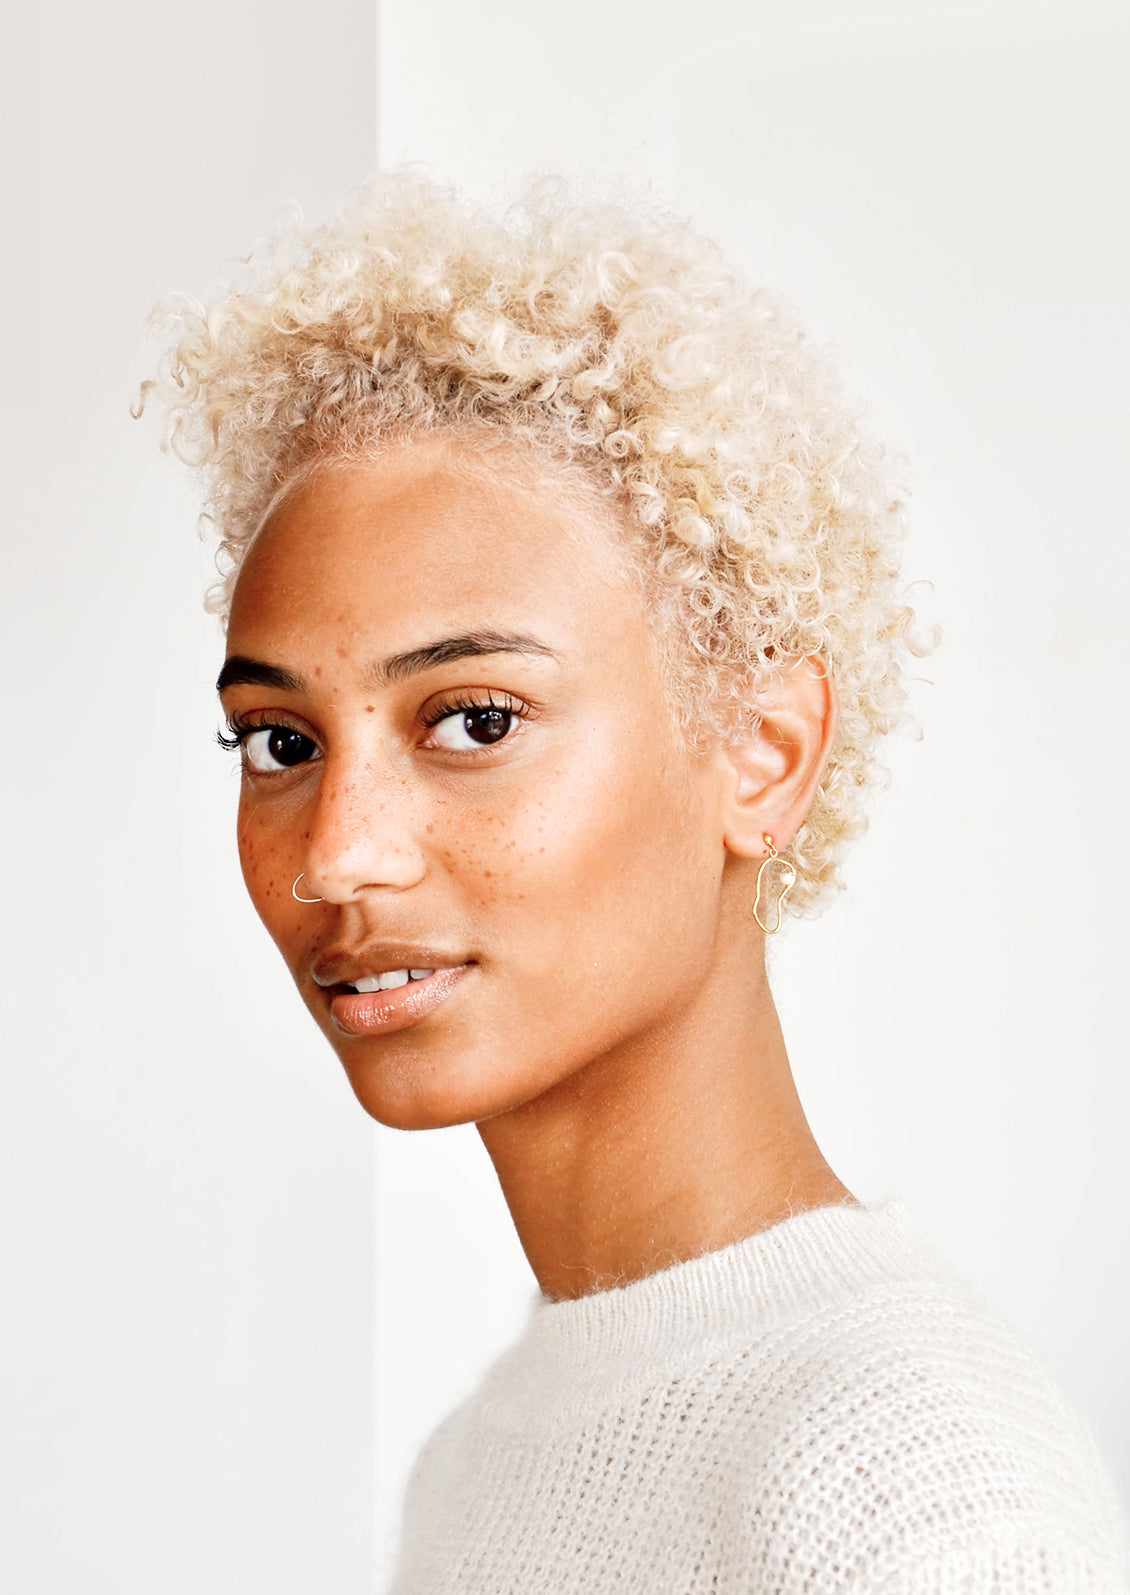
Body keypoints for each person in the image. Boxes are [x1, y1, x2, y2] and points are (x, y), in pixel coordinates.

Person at [144, 172, 1128, 1593]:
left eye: (473, 720)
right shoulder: (480, 1460)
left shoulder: (915, 1487)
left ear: (761, 754)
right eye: (282, 741)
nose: (336, 851)